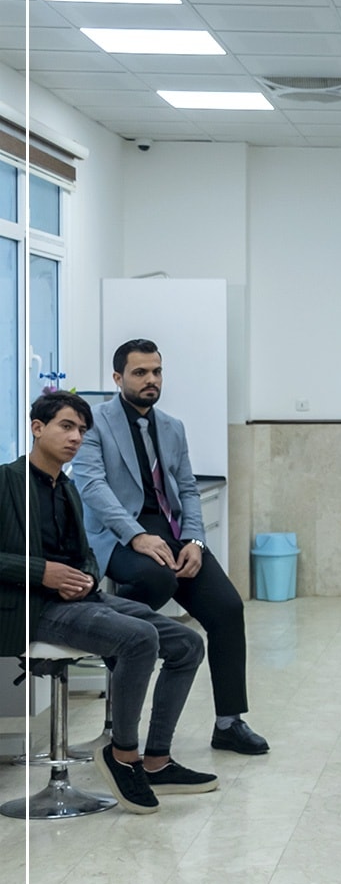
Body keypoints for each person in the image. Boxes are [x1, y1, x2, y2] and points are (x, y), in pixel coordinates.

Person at [4, 393, 212, 812]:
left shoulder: (68, 488)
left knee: (187, 644)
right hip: (33, 606)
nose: (76, 437)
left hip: (81, 599)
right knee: (139, 638)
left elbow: (84, 554)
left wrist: (84, 575)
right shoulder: (6, 482)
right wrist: (42, 573)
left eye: (82, 430)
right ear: (37, 428)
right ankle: (123, 754)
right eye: (66, 426)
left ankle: (157, 760)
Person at [70, 339, 267, 755]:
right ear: (118, 377)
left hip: (172, 533)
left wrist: (195, 540)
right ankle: (112, 633)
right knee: (156, 578)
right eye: (140, 372)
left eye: (156, 372)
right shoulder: (94, 423)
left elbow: (188, 489)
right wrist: (136, 535)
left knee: (228, 609)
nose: (151, 380)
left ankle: (229, 722)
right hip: (119, 535)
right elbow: (92, 487)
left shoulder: (172, 427)